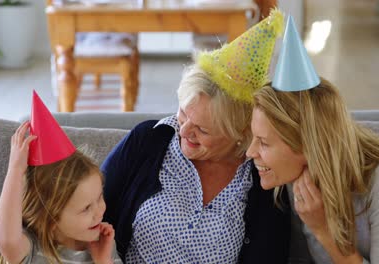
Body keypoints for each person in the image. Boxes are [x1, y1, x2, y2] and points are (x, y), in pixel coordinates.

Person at [101, 10, 290, 263]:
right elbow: (90, 213)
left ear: (239, 133)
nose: (184, 130)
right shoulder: (148, 140)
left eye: (202, 129)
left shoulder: (262, 177)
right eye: (183, 113)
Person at [246, 16, 379, 263]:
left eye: (263, 142)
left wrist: (323, 231)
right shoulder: (300, 177)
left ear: (307, 143)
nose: (250, 152)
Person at [0, 91, 121, 264]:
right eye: (86, 208)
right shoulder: (31, 249)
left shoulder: (104, 244)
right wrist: (15, 170)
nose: (100, 211)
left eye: (99, 197)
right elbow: (6, 241)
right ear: (51, 219)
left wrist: (104, 261)